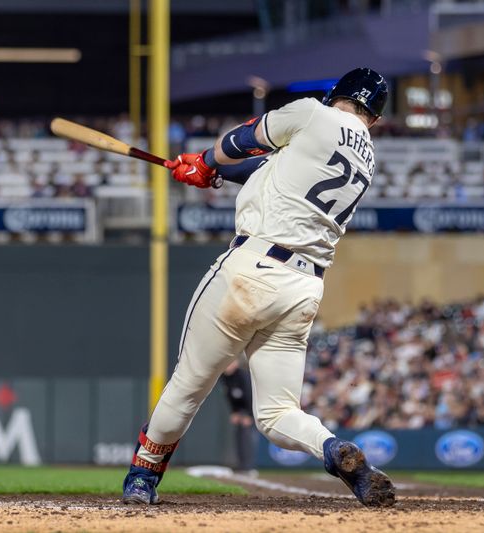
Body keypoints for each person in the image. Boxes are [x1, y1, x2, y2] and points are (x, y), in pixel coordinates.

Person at [121, 68, 395, 507]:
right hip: (303, 289)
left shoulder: (311, 113)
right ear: (375, 118)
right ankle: (333, 449)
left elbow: (241, 140)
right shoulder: (367, 155)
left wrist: (206, 161)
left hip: (251, 269)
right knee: (277, 414)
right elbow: (275, 171)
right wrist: (211, 173)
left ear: (334, 95)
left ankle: (141, 478)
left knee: (189, 384)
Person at [220, 360, 257, 475]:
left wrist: (250, 415)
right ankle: (241, 465)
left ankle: (248, 466)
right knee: (238, 436)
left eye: (229, 363)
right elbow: (229, 395)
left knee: (248, 437)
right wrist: (234, 412)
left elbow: (251, 395)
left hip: (253, 408)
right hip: (240, 409)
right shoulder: (225, 377)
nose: (227, 366)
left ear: (235, 363)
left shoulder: (243, 375)